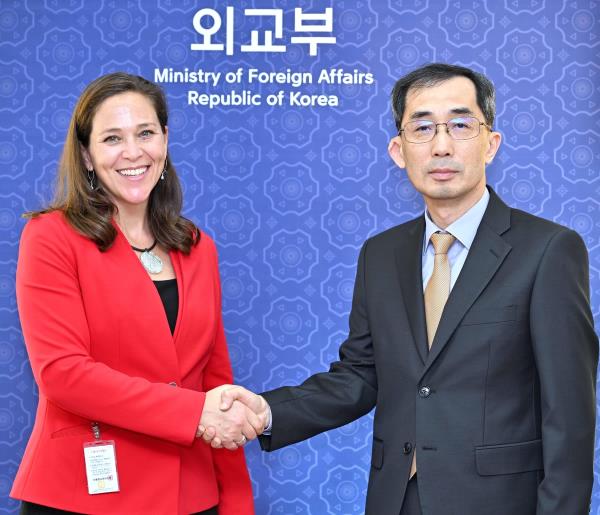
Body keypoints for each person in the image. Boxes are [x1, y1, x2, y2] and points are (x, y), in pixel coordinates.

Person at [206, 63, 599, 514]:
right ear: (398, 150)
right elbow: (360, 375)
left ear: (491, 144)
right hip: (396, 499)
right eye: (423, 127)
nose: (442, 145)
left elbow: (569, 416)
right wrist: (266, 411)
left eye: (460, 124)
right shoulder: (381, 254)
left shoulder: (548, 250)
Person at [11, 72, 264, 515]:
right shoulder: (50, 236)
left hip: (191, 495)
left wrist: (237, 501)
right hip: (81, 498)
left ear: (164, 141)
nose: (133, 152)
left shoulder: (197, 246)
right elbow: (62, 373)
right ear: (87, 155)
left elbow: (215, 384)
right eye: (112, 138)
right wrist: (193, 414)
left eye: (145, 133)